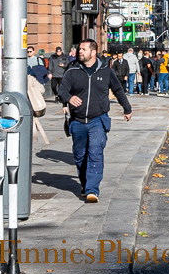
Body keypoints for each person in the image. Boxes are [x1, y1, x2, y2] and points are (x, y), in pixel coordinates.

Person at [56, 39, 132, 202]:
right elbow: (62, 90)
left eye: (83, 49)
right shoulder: (72, 70)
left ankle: (92, 190)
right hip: (77, 121)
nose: (79, 51)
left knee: (95, 151)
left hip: (98, 119)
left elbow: (118, 90)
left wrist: (127, 109)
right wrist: (69, 98)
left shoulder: (106, 70)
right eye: (79, 48)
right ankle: (85, 184)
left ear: (93, 52)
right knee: (79, 155)